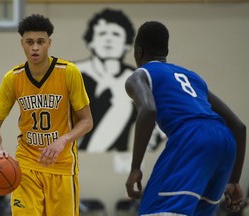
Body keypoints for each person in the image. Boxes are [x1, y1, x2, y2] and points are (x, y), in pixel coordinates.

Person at [125, 21, 246, 216]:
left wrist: (135, 168)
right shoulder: (192, 77)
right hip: (224, 139)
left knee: (155, 209)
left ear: (138, 51)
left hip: (192, 137)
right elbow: (239, 126)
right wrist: (234, 180)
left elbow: (148, 110)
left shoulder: (140, 75)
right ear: (166, 51)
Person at [0, 14, 93, 216]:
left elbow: (87, 121)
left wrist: (64, 140)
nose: (35, 47)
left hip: (62, 166)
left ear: (49, 43)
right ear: (22, 44)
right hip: (25, 165)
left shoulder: (68, 72)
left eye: (40, 42)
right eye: (30, 42)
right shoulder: (12, 78)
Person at [75, 8, 136, 152]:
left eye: (116, 34)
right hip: (68, 150)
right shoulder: (72, 73)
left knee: (124, 102)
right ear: (90, 42)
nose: (109, 39)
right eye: (102, 33)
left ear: (127, 44)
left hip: (117, 159)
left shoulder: (135, 78)